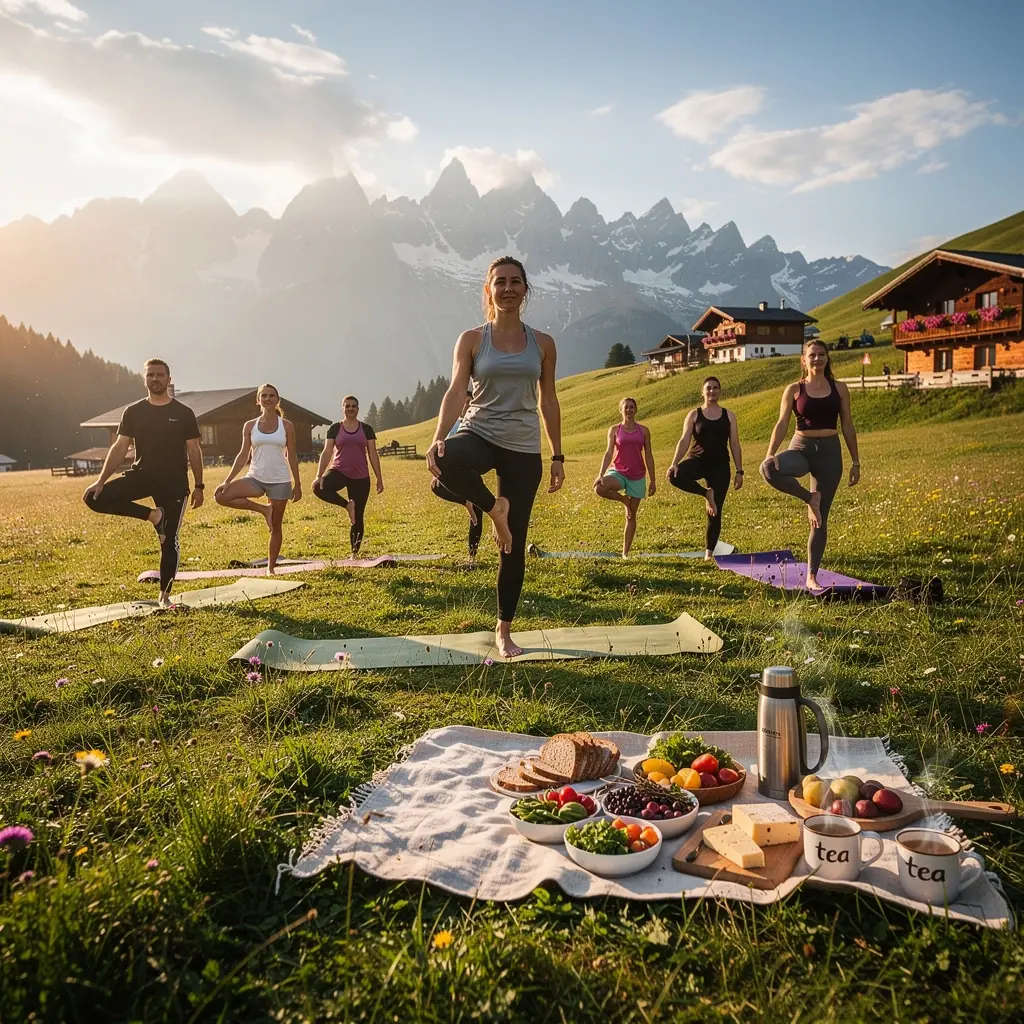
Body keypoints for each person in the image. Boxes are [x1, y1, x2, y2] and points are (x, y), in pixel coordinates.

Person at [427, 255, 564, 658]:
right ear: (489, 289)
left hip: (523, 446)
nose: (507, 288)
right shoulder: (472, 338)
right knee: (447, 461)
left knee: (513, 546)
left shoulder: (543, 344)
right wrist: (438, 436)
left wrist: (558, 455)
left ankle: (504, 631)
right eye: (499, 282)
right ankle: (493, 509)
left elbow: (549, 400)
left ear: (525, 289)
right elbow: (455, 392)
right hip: (479, 431)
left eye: (515, 282)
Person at [83, 358, 203, 607]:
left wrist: (199, 486)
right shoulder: (134, 412)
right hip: (142, 476)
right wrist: (100, 480)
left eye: (160, 375)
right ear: (144, 379)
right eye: (151, 375)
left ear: (169, 380)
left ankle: (164, 596)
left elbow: (194, 450)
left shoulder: (183, 413)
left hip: (173, 483)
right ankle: (153, 516)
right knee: (94, 498)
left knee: (170, 538)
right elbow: (120, 447)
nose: (155, 379)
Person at [760, 339, 861, 590]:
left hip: (830, 453)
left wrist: (856, 461)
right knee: (768, 469)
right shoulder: (794, 389)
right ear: (803, 360)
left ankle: (812, 577)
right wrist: (771, 452)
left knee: (820, 521)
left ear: (827, 359)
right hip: (801, 448)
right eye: (812, 355)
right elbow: (782, 423)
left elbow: (847, 425)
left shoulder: (840, 388)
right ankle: (809, 498)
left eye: (821, 355)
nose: (817, 359)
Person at [214, 383, 302, 574]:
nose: (268, 399)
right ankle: (264, 510)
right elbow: (243, 455)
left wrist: (298, 484)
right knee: (221, 496)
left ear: (277, 400)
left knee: (276, 526)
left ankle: (271, 568)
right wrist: (227, 480)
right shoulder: (250, 426)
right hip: (255, 478)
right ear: (258, 400)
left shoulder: (286, 426)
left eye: (272, 396)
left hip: (280, 480)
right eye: (264, 396)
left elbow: (292, 455)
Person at [667, 376, 743, 559]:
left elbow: (734, 443)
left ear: (720, 391)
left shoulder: (728, 415)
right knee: (674, 476)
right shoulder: (694, 415)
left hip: (720, 466)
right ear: (702, 392)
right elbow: (684, 440)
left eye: (715, 388)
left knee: (716, 511)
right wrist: (674, 463)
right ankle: (706, 493)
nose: (712, 391)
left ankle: (709, 554)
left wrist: (740, 471)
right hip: (698, 461)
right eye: (708, 388)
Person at [312, 396, 383, 555]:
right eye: (347, 406)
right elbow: (327, 452)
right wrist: (319, 474)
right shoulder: (335, 428)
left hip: (361, 477)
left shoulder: (366, 429)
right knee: (318, 487)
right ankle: (346, 505)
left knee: (357, 517)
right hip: (339, 471)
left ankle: (354, 553)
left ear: (358, 409)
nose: (351, 408)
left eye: (354, 406)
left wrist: (379, 478)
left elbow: (372, 454)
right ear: (343, 408)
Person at [594, 397, 656, 556]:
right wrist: (600, 474)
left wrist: (653, 481)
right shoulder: (614, 430)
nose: (629, 410)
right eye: (626, 407)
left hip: (637, 476)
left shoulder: (644, 431)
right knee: (600, 488)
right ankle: (624, 500)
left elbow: (648, 456)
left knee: (631, 516)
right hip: (618, 471)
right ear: (621, 410)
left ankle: (625, 553)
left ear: (636, 409)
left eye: (631, 407)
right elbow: (608, 453)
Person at [447, 391, 484, 562]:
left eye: (471, 402)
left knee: (477, 513)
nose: (468, 405)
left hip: (473, 474)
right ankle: (465, 501)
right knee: (436, 486)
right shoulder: (453, 426)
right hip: (454, 474)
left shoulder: (480, 425)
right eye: (465, 401)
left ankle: (472, 557)